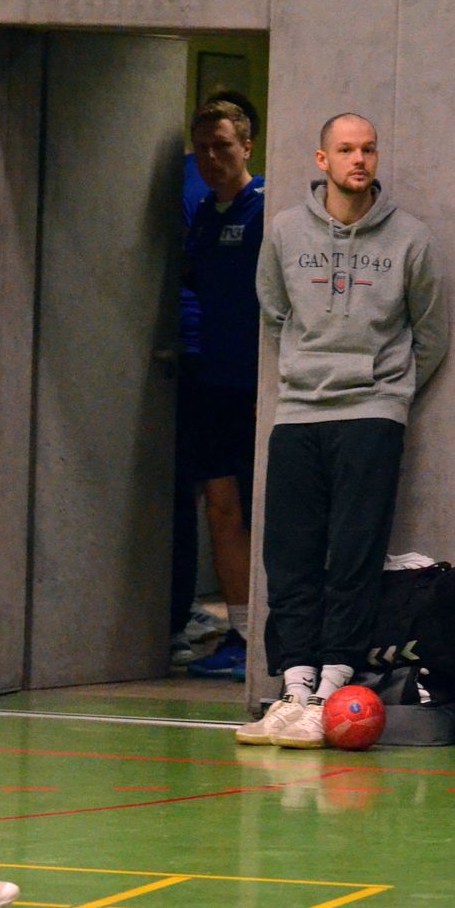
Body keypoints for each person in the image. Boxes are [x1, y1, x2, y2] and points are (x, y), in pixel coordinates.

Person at [242, 112, 450, 748]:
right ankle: (293, 687)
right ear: (322, 160)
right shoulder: (284, 231)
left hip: (372, 415)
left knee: (354, 556)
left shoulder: (411, 239)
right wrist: (305, 372)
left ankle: (332, 690)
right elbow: (274, 313)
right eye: (346, 150)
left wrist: (389, 391)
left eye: (368, 149)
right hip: (299, 413)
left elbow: (431, 333)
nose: (359, 159)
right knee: (290, 555)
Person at [178, 96, 267, 681]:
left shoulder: (266, 210)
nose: (213, 158)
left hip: (257, 387)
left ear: (247, 147)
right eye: (204, 149)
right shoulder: (204, 218)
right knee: (220, 505)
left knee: (262, 510)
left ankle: (269, 636)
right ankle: (238, 631)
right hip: (211, 384)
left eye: (224, 146)